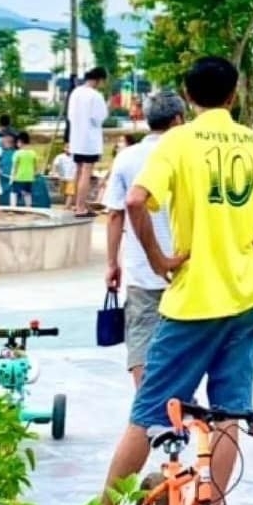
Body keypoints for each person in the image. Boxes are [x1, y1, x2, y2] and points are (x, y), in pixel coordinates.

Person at [106, 56, 253, 502]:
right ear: (233, 95)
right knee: (228, 412)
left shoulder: (178, 142)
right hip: (246, 296)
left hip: (194, 300)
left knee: (149, 412)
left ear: (188, 95)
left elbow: (135, 201)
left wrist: (159, 259)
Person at [104, 91, 187, 389]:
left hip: (141, 269)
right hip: (184, 267)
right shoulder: (188, 156)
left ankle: (145, 403)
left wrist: (112, 263)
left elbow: (115, 214)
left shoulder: (127, 157)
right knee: (182, 343)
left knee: (141, 339)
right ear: (178, 119)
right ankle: (178, 403)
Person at [65, 66, 110, 211]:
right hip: (89, 140)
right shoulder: (96, 96)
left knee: (78, 170)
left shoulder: (76, 92)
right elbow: (99, 118)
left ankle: (76, 204)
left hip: (76, 138)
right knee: (86, 171)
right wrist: (107, 107)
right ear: (99, 80)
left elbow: (70, 116)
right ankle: (80, 207)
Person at [7, 133, 38, 207]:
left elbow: (15, 166)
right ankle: (28, 208)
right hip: (29, 178)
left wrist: (12, 177)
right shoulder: (33, 153)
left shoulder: (17, 153)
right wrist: (34, 175)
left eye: (17, 142)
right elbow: (35, 166)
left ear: (20, 141)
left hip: (18, 177)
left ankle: (13, 207)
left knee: (14, 193)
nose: (17, 144)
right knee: (27, 193)